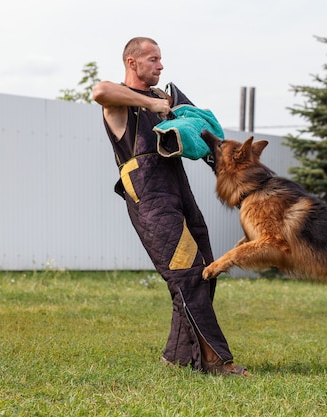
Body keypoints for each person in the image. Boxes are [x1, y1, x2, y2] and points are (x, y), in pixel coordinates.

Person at [93, 37, 248, 376]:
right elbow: (100, 91)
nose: (161, 66)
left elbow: (199, 125)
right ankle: (216, 361)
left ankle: (176, 356)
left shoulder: (164, 98)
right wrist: (150, 106)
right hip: (148, 191)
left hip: (178, 185)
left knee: (206, 268)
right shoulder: (122, 101)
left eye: (161, 59)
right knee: (186, 271)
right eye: (153, 59)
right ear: (132, 63)